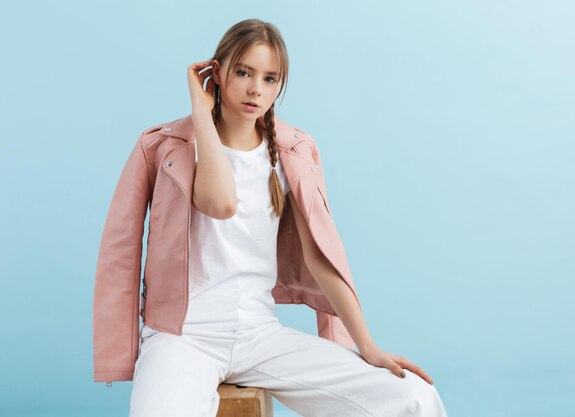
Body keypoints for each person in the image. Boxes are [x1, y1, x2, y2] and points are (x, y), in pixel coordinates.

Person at [93, 18, 449, 417]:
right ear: (217, 71)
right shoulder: (161, 147)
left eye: (269, 78)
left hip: (259, 336)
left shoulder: (294, 151)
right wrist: (200, 109)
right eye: (243, 72)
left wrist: (367, 346)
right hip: (181, 339)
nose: (255, 88)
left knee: (413, 397)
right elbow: (216, 206)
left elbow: (320, 256)